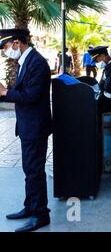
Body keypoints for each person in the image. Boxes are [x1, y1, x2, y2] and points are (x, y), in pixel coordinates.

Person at [0, 29, 52, 232]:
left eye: (5, 48)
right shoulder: (26, 61)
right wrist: (5, 93)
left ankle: (41, 215)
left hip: (35, 127)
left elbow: (30, 96)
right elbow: (23, 92)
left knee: (35, 171)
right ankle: (30, 207)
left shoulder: (37, 63)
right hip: (28, 126)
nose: (5, 53)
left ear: (16, 43)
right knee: (29, 170)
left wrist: (5, 92)